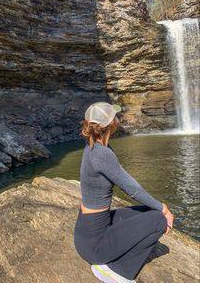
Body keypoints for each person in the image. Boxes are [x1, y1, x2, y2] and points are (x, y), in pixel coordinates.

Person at [73, 101, 174, 283]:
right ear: (112, 124)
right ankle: (117, 271)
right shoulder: (102, 154)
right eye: (115, 116)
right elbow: (132, 189)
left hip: (91, 229)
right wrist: (164, 208)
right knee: (159, 219)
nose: (118, 119)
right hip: (94, 244)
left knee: (148, 211)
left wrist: (157, 208)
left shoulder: (94, 145)